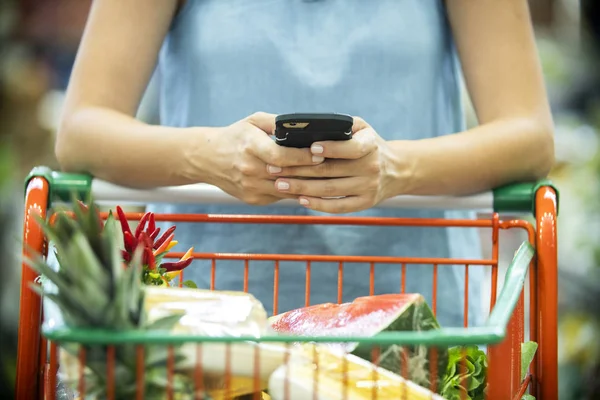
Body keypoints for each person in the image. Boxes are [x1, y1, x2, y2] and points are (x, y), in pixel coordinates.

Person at [55, 0, 554, 327]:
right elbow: (80, 128)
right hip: (203, 321)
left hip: (415, 325)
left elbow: (529, 136)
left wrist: (396, 168)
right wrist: (210, 155)